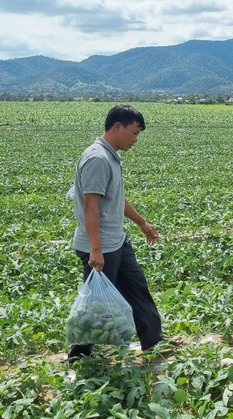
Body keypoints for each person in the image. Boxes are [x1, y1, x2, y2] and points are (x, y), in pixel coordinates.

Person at [68, 104, 168, 360]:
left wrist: (142, 223)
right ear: (117, 127)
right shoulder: (98, 159)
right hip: (101, 246)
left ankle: (152, 340)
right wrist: (96, 249)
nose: (136, 139)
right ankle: (80, 354)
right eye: (134, 132)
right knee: (95, 303)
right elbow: (91, 205)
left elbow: (116, 199)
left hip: (117, 242)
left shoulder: (110, 156)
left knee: (137, 288)